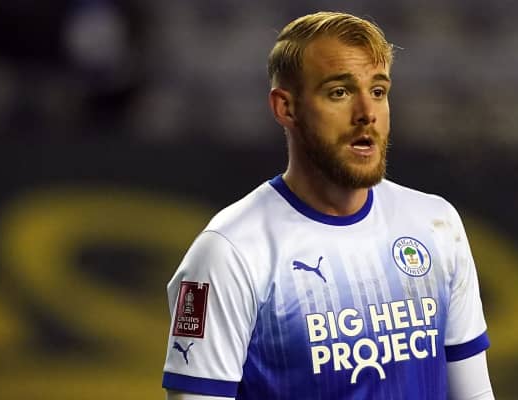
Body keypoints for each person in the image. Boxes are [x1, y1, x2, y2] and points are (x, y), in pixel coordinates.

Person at [162, 11, 494, 400]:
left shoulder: (436, 225)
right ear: (286, 108)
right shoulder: (229, 252)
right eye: (339, 92)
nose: (366, 113)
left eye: (378, 91)